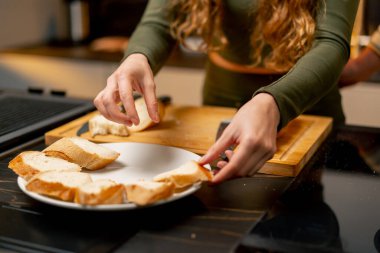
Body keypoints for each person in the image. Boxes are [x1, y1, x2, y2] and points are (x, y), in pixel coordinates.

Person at [94, 0, 359, 184]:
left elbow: (331, 42)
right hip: (219, 99)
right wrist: (138, 57)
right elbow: (159, 23)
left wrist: (274, 103)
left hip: (307, 108)